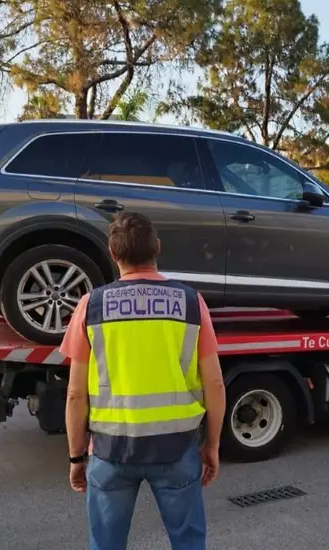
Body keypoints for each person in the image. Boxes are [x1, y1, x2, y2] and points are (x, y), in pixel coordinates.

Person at [59, 211, 227, 550]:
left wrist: (76, 457)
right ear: (158, 248)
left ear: (112, 253)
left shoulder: (91, 306)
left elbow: (76, 394)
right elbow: (215, 384)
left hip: (110, 452)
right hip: (177, 449)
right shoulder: (191, 303)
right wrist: (212, 445)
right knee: (189, 542)